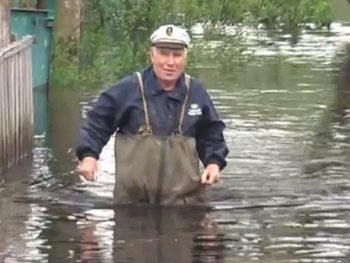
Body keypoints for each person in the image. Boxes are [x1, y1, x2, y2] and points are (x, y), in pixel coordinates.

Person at [75, 24, 229, 205]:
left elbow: (211, 134)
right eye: (164, 53)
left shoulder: (196, 93)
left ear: (185, 58)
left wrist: (213, 163)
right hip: (131, 206)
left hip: (183, 207)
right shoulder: (127, 89)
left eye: (177, 55)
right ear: (152, 55)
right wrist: (89, 156)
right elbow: (97, 124)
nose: (170, 62)